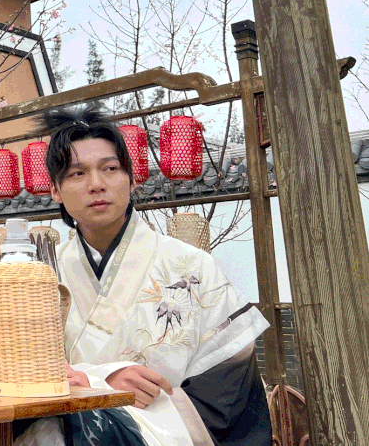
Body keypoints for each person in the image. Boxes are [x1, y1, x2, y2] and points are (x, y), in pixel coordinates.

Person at [16, 105, 271, 446]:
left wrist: (105, 400)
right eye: (77, 173)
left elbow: (228, 393)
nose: (96, 185)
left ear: (133, 180)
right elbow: (16, 373)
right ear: (55, 191)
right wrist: (103, 383)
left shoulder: (192, 267)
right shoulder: (40, 276)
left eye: (110, 169)